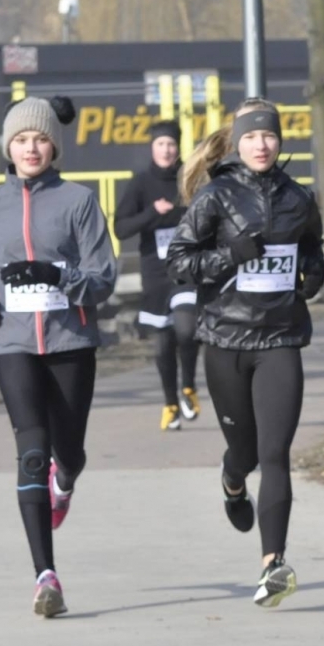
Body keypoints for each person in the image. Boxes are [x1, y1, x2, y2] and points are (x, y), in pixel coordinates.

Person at [167, 99, 324, 608]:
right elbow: (179, 262)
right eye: (253, 136)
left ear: (281, 142)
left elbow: (313, 250)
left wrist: (316, 275)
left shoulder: (299, 198)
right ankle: (233, 481)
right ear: (238, 142)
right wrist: (229, 255)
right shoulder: (215, 196)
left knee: (275, 455)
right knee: (245, 454)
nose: (262, 144)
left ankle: (273, 565)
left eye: (271, 136)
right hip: (226, 339)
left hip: (280, 340)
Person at [0, 96, 117, 618]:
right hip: (13, 344)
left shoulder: (79, 201)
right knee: (31, 450)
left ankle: (65, 479)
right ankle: (44, 576)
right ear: (8, 147)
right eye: (22, 140)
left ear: (55, 146)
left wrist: (59, 277)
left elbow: (104, 278)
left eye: (41, 139)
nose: (32, 148)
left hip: (71, 342)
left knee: (67, 451)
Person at [116, 120, 200, 431]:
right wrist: (154, 211)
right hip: (154, 272)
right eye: (161, 144)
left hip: (187, 269)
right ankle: (170, 404)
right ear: (153, 148)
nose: (167, 149)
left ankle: (189, 386)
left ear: (179, 147)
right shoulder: (140, 184)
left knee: (187, 328)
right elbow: (121, 227)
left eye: (172, 144)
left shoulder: (190, 178)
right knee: (163, 345)